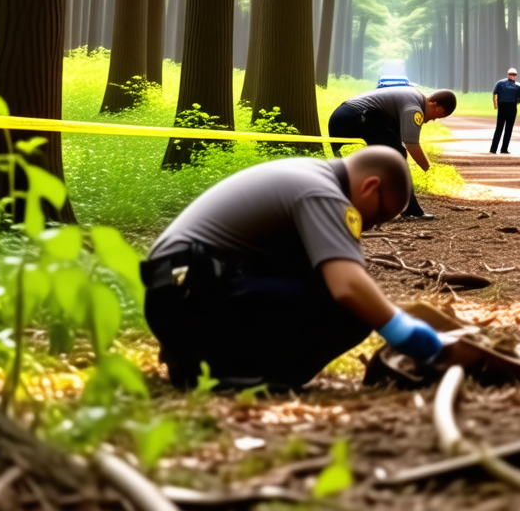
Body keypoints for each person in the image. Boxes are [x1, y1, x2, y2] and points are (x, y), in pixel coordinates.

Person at [141, 146, 444, 390]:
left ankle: (198, 360)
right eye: (378, 215)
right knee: (348, 312)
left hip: (180, 291)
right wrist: (404, 332)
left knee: (313, 285)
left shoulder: (310, 174)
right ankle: (235, 373)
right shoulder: (323, 193)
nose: (371, 226)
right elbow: (347, 285)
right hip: (189, 293)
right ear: (370, 186)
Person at [327, 87, 457, 220]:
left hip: (343, 117)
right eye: (438, 114)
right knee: (397, 156)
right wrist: (427, 168)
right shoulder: (414, 108)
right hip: (355, 118)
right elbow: (411, 144)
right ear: (433, 103)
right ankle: (410, 208)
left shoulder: (412, 96)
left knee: (386, 157)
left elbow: (397, 136)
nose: (433, 119)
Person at [490, 68, 520, 154]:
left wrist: (497, 106)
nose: (512, 76)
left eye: (514, 74)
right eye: (511, 74)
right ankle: (497, 149)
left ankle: (500, 149)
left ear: (516, 75)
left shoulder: (516, 85)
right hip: (506, 106)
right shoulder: (502, 83)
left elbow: (519, 98)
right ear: (508, 74)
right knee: (501, 128)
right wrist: (497, 106)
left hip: (508, 106)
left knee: (506, 128)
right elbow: (519, 99)